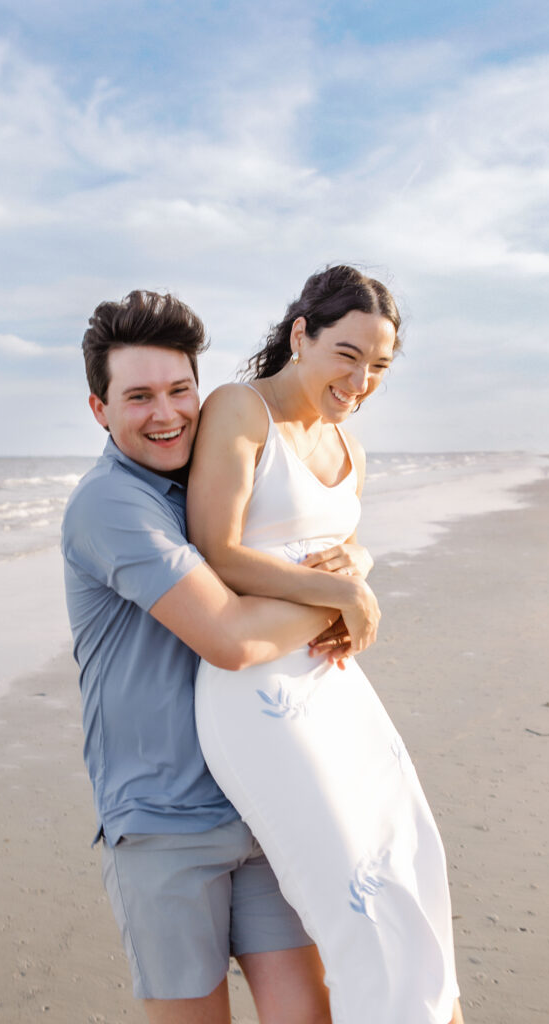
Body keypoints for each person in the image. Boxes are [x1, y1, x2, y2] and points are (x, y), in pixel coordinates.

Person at [61, 289, 378, 1024]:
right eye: (138, 397)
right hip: (165, 819)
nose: (166, 413)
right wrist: (344, 596)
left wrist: (348, 562)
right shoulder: (112, 505)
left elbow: (303, 538)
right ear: (99, 410)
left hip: (262, 795)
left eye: (179, 391)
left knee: (307, 1014)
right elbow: (231, 639)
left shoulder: (211, 483)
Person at [187, 265, 464, 1024]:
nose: (361, 380)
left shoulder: (350, 448)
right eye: (347, 354)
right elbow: (217, 550)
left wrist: (360, 567)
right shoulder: (240, 411)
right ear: (300, 335)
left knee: (410, 858)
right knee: (349, 890)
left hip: (335, 687)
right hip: (256, 695)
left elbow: (341, 547)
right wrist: (341, 591)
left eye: (378, 366)